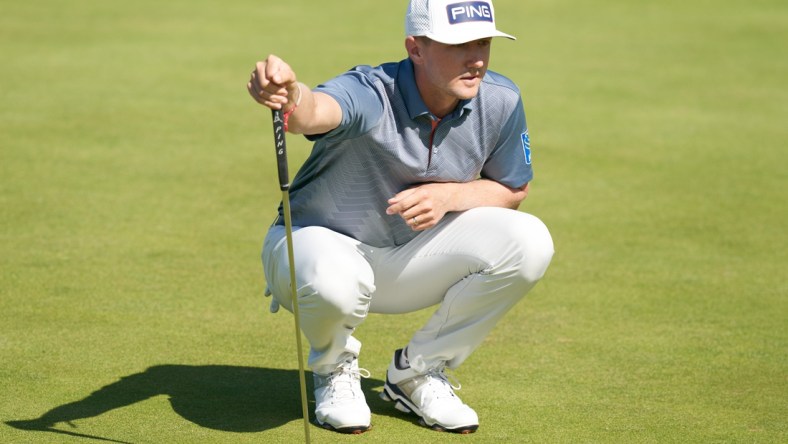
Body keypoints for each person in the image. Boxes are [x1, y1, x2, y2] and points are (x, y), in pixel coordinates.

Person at [246, 0, 554, 435]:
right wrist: (290, 94)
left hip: (403, 263)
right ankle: (334, 369)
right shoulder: (372, 91)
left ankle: (417, 373)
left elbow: (513, 189)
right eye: (459, 45)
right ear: (416, 48)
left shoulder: (500, 99)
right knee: (331, 275)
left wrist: (452, 196)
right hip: (311, 252)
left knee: (530, 240)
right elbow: (315, 111)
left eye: (483, 42)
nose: (477, 58)